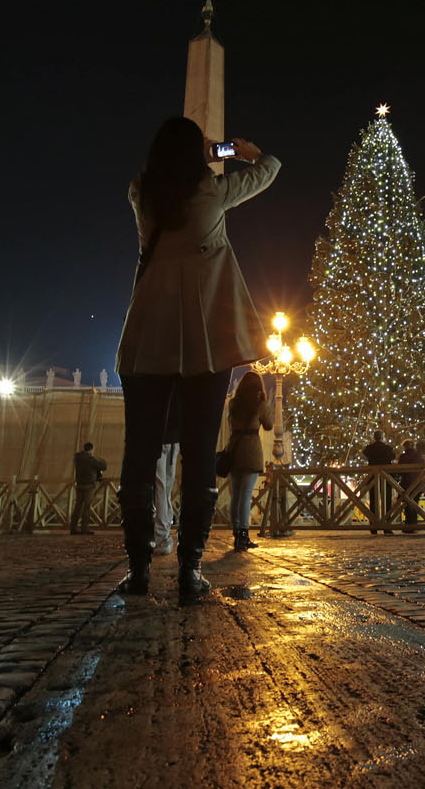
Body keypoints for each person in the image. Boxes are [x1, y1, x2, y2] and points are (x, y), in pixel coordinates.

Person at [113, 117, 280, 603]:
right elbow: (270, 169)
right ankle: (190, 570)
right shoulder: (212, 192)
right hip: (207, 336)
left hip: (149, 334)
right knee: (201, 453)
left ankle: (139, 569)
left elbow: (149, 186)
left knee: (140, 455)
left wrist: (194, 153)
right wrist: (234, 151)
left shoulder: (141, 193)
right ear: (196, 155)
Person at [224, 371, 273, 551]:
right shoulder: (258, 403)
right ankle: (243, 534)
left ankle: (237, 532)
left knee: (235, 494)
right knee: (245, 494)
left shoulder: (234, 403)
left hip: (234, 448)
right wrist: (264, 401)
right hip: (251, 449)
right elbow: (268, 424)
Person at [152, 398, 181, 555]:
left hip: (158, 438)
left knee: (160, 488)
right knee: (166, 488)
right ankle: (165, 532)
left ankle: (161, 537)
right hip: (174, 440)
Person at [363, 430, 397, 536]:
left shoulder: (369, 449)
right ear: (382, 437)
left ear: (374, 437)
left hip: (373, 477)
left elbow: (365, 453)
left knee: (373, 502)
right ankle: (387, 526)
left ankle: (373, 526)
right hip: (385, 477)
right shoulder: (387, 449)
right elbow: (392, 457)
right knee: (386, 502)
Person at [71, 442, 107, 536]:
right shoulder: (91, 459)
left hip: (79, 484)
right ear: (91, 449)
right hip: (89, 485)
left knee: (78, 507)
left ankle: (73, 528)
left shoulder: (77, 458)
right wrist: (100, 460)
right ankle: (84, 529)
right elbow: (103, 466)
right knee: (87, 507)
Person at [397, 438, 425, 532]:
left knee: (407, 504)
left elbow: (400, 470)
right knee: (415, 504)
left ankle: (408, 525)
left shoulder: (403, 457)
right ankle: (414, 525)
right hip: (417, 483)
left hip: (406, 483)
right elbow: (424, 468)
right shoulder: (419, 456)